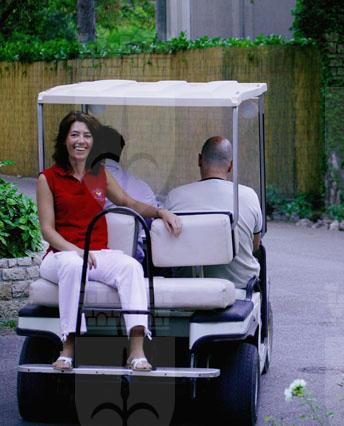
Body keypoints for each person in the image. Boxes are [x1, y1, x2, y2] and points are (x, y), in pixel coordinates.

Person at [37, 111, 182, 371]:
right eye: (74, 135)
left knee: (131, 267)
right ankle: (68, 347)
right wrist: (76, 250)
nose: (80, 141)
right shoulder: (48, 178)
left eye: (87, 135)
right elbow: (47, 230)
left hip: (97, 255)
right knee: (73, 264)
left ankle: (136, 351)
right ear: (64, 140)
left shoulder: (100, 174)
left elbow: (128, 202)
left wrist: (160, 212)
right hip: (60, 255)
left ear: (94, 142)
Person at [165, 136, 262, 287]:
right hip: (240, 288)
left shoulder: (175, 196)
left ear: (199, 160)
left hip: (187, 287)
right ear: (230, 166)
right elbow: (255, 246)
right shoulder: (248, 195)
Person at [90, 125, 159, 263]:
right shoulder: (144, 190)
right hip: (132, 261)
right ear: (120, 151)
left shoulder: (81, 184)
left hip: (90, 257)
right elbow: (150, 232)